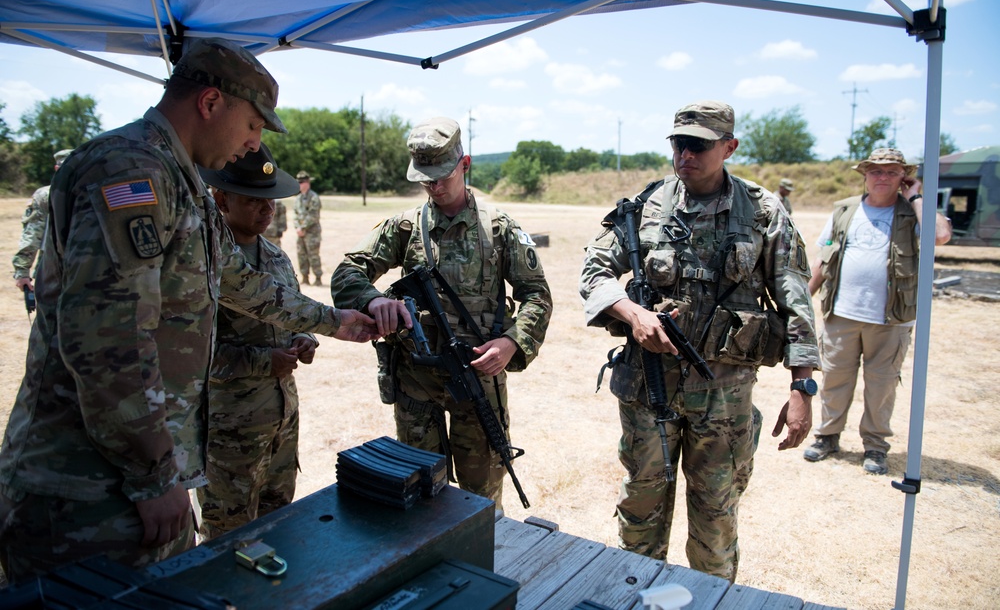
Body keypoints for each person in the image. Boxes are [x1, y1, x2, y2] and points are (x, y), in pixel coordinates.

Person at [0, 37, 377, 584]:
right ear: (210, 104)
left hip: (129, 480)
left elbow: (240, 282)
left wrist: (333, 321)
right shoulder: (131, 172)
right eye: (253, 126)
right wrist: (154, 477)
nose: (254, 147)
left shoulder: (183, 184)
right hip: (83, 488)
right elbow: (108, 341)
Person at [579, 100, 820, 582]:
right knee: (641, 511)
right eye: (678, 143)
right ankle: (634, 594)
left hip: (725, 397)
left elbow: (796, 302)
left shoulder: (764, 212)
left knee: (715, 521)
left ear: (729, 147)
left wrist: (802, 388)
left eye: (699, 145)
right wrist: (633, 314)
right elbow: (594, 269)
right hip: (649, 391)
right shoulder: (645, 207)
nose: (685, 154)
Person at [330, 117, 552, 510]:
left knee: (481, 500)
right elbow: (348, 271)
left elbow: (537, 294)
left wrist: (511, 341)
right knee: (419, 495)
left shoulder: (498, 228)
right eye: (425, 178)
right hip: (416, 384)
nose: (434, 186)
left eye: (442, 176)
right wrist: (372, 300)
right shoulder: (404, 227)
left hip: (477, 383)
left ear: (464, 165)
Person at [803, 148, 952, 475]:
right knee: (834, 381)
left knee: (881, 387)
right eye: (876, 171)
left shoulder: (912, 213)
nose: (882, 177)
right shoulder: (844, 211)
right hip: (841, 315)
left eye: (891, 172)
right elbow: (822, 259)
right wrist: (802, 304)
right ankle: (827, 437)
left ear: (904, 177)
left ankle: (875, 446)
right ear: (865, 175)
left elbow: (940, 235)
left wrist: (917, 197)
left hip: (891, 319)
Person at [196, 144, 314, 539]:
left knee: (278, 523)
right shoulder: (203, 262)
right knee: (228, 533)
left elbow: (295, 314)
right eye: (254, 201)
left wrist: (304, 338)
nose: (268, 210)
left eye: (271, 201)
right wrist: (266, 362)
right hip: (230, 433)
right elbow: (194, 356)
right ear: (221, 198)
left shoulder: (277, 258)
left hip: (281, 421)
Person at [11, 148, 72, 293]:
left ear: (57, 168)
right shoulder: (94, 191)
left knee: (50, 312)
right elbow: (33, 233)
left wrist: (22, 271)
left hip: (53, 262)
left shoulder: (45, 194)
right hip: (83, 264)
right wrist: (22, 270)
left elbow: (32, 234)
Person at [294, 170, 322, 285]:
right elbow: (295, 215)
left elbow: (313, 215)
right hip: (300, 232)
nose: (299, 185)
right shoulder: (298, 198)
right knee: (301, 255)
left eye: (301, 182)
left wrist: (303, 227)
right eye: (298, 182)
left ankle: (318, 278)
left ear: (307, 183)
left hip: (312, 233)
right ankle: (304, 277)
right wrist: (297, 227)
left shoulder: (314, 197)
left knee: (313, 255)